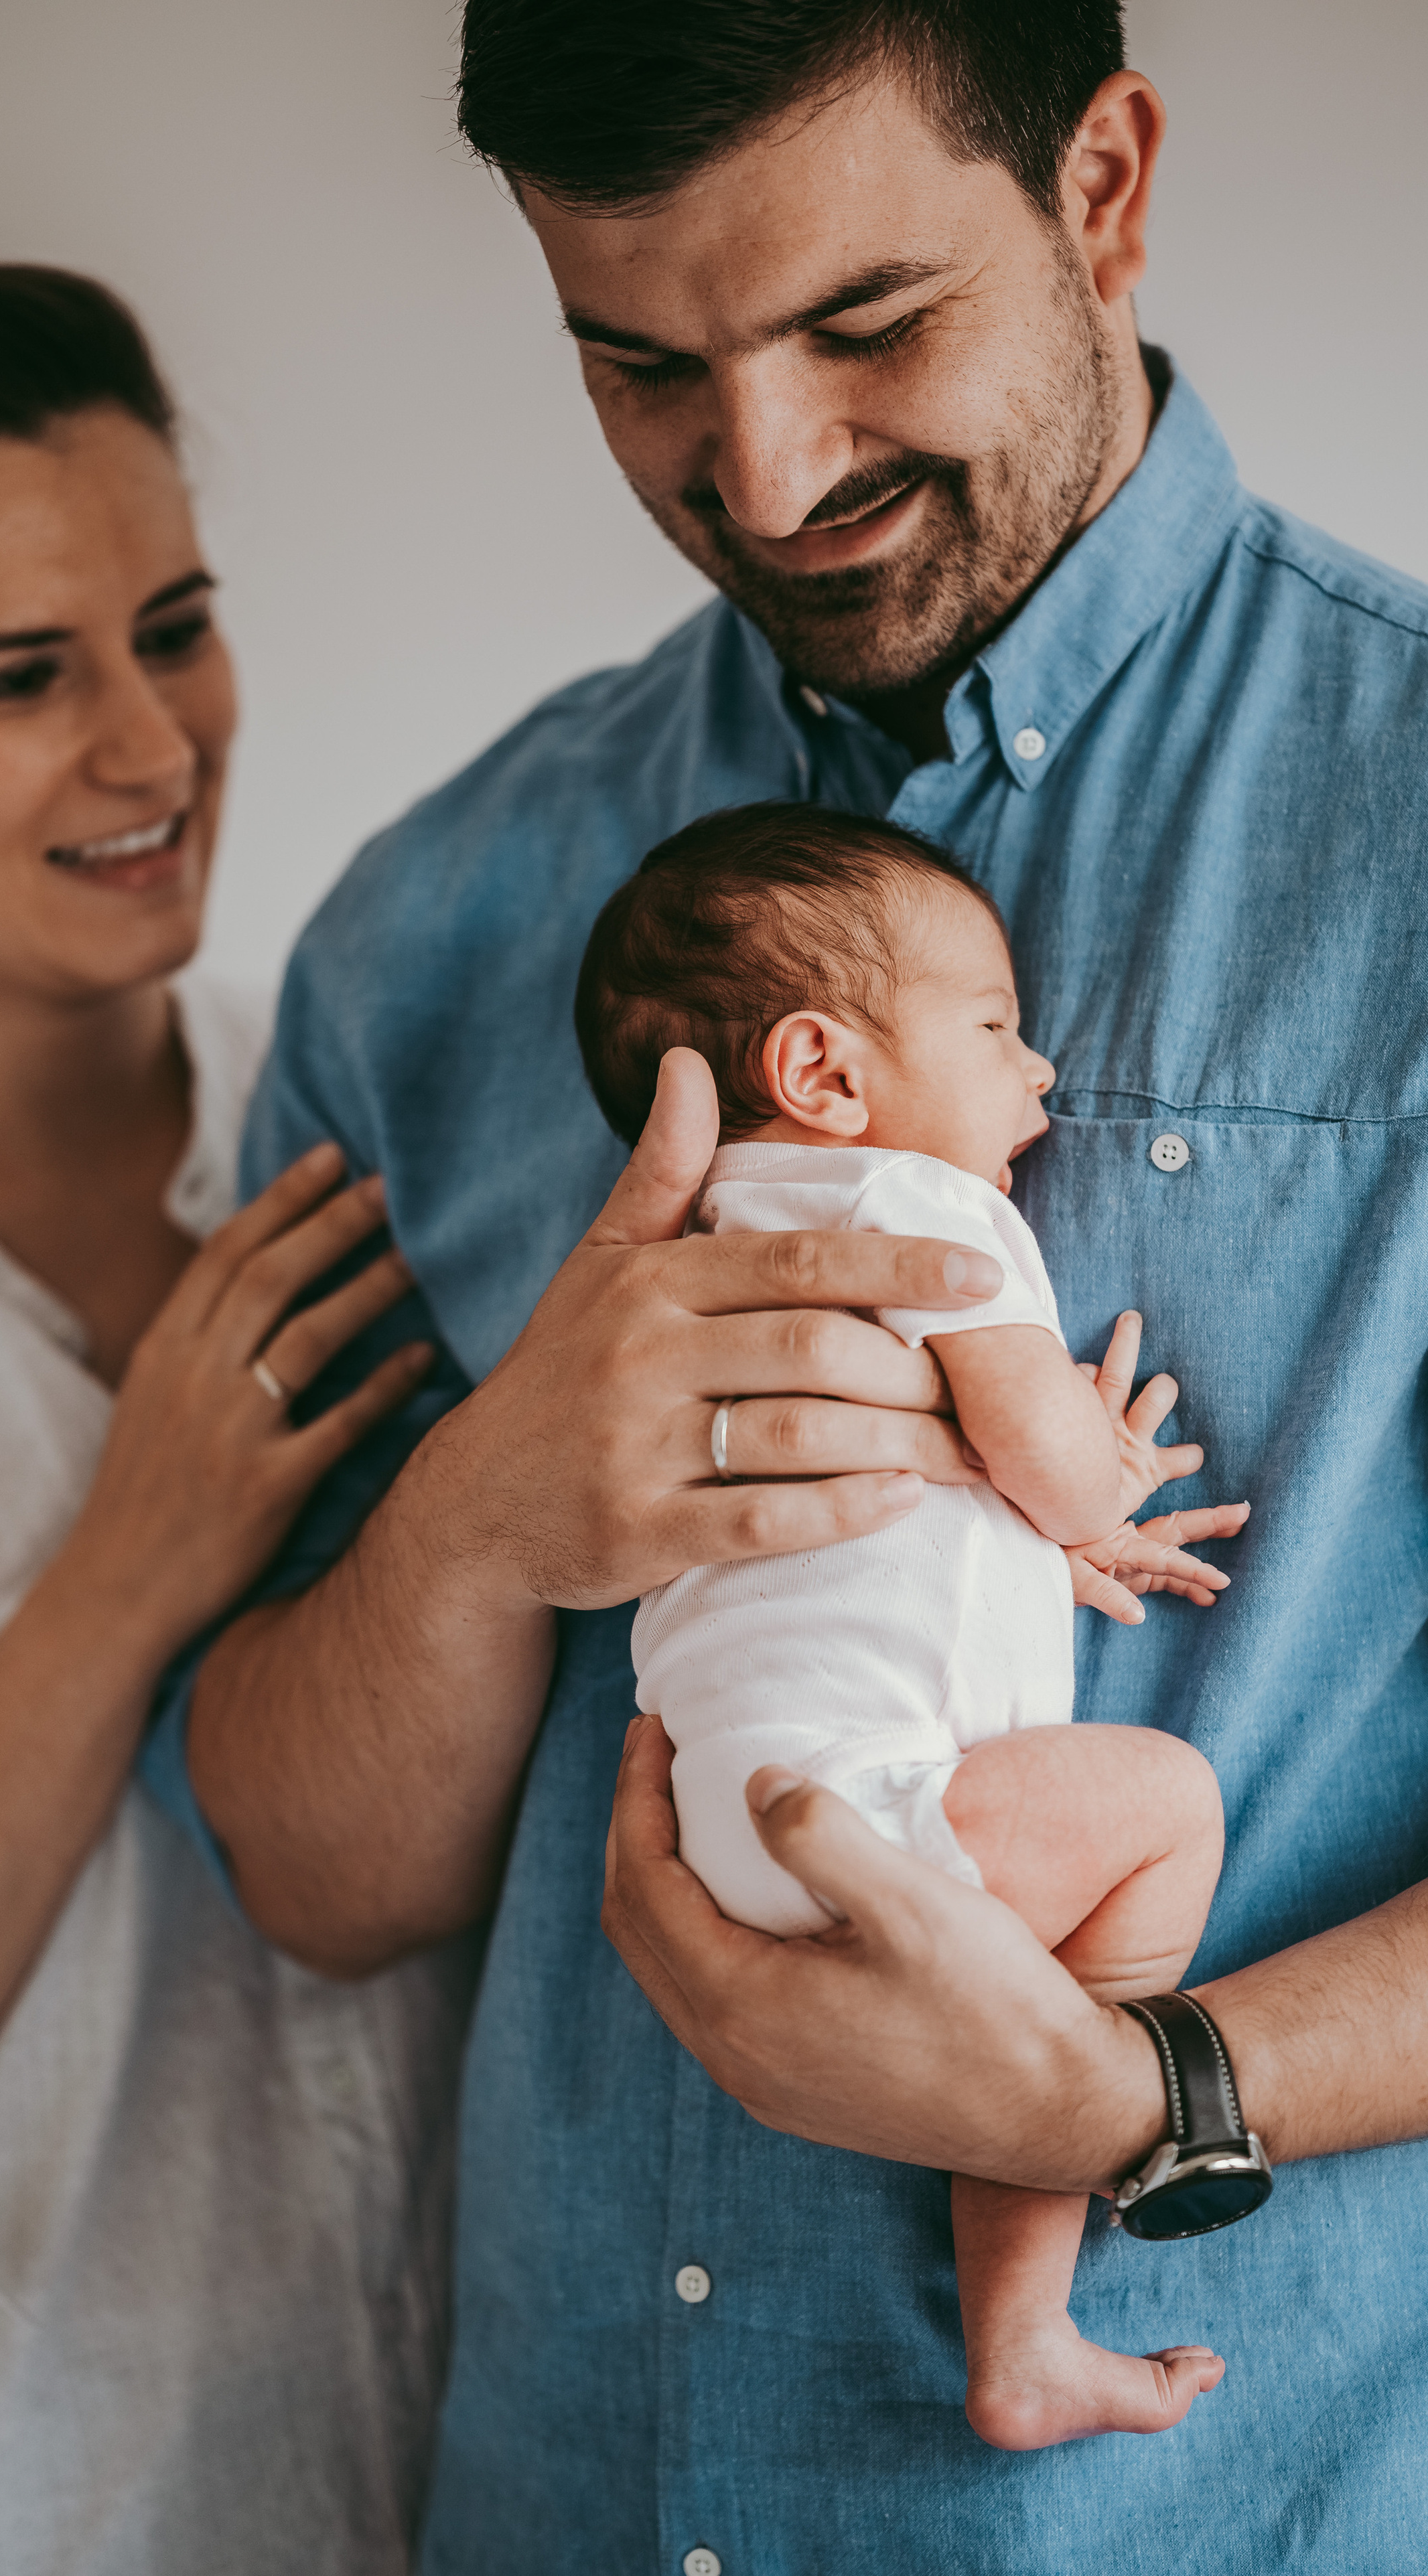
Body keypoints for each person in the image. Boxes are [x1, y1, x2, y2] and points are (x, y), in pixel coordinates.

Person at [142, 3, 1428, 2567]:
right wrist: (470, 1525)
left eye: (867, 324)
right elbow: (307, 1875)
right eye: (640, 360)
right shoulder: (434, 930)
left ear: (1100, 187)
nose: (764, 472)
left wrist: (1153, 2088)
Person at [0, 254, 466, 2575]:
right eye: (16, 674)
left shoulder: (392, 1134)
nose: (152, 744)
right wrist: (134, 1561)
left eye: (172, 624)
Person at [577, 799, 1242, 2448]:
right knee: (1161, 1816)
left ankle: (1024, 2349)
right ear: (822, 1071)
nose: (1036, 1074)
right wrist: (1107, 1481)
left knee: (1007, 1992)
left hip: (728, 1824)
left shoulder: (703, 1238)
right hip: (874, 1806)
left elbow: (875, 1516)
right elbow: (1027, 1439)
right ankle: (1034, 2293)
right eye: (994, 1028)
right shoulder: (926, 1205)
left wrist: (1035, 1543)